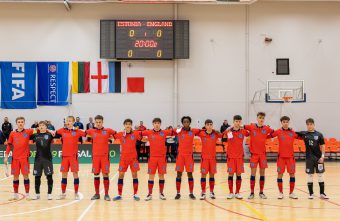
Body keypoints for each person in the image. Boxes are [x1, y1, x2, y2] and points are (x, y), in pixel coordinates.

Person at [141, 118, 173, 201]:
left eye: (158, 123)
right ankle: (149, 194)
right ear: (153, 124)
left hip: (162, 158)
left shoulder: (164, 132)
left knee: (161, 176)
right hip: (152, 158)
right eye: (155, 123)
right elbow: (138, 134)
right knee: (151, 176)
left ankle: (161, 193)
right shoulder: (148, 132)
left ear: (160, 124)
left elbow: (175, 132)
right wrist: (143, 139)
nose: (157, 124)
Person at [243, 112, 274, 199]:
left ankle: (261, 192)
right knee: (253, 174)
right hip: (254, 155)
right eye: (260, 117)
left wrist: (266, 137)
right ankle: (252, 192)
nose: (261, 119)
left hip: (263, 155)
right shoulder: (251, 126)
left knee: (262, 174)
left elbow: (274, 133)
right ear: (257, 118)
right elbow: (241, 126)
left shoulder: (267, 128)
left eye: (263, 118)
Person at [296, 118, 329, 199]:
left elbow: (323, 146)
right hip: (309, 158)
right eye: (308, 124)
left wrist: (322, 156)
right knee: (309, 175)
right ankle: (311, 193)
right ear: (306, 125)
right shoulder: (304, 133)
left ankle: (322, 193)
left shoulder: (319, 134)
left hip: (318, 158)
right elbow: (292, 133)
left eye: (311, 124)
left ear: (314, 125)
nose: (309, 126)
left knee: (320, 175)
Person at [86, 115, 116, 201]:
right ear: (95, 123)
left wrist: (111, 138)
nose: (98, 124)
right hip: (95, 157)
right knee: (96, 174)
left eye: (100, 122)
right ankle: (97, 194)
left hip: (104, 157)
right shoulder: (91, 131)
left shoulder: (108, 130)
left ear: (102, 122)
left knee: (105, 174)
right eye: (97, 122)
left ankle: (106, 194)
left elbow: (117, 135)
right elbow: (82, 132)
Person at [4, 117, 35, 200]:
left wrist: (50, 131)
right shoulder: (12, 133)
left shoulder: (28, 131)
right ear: (16, 123)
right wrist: (6, 157)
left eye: (22, 122)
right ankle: (15, 195)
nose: (20, 123)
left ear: (24, 123)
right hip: (15, 159)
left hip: (24, 158)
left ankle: (27, 195)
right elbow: (9, 146)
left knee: (26, 176)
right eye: (19, 122)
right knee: (15, 177)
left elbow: (39, 129)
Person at [112, 119, 142, 201]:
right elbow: (111, 136)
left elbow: (143, 139)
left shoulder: (135, 133)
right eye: (126, 124)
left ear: (131, 125)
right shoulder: (120, 134)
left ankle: (135, 194)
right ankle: (119, 194)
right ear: (124, 125)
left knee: (134, 175)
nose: (128, 125)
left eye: (129, 124)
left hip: (133, 159)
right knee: (121, 175)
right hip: (123, 159)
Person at [56, 116, 86, 200]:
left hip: (73, 157)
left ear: (73, 122)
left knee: (75, 174)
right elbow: (53, 133)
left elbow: (86, 133)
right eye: (67, 121)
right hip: (65, 157)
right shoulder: (62, 130)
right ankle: (63, 193)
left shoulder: (77, 131)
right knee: (64, 175)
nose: (68, 122)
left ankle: (76, 193)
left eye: (70, 121)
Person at [270, 116, 299, 199]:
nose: (285, 123)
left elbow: (301, 137)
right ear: (281, 123)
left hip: (290, 157)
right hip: (281, 158)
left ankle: (291, 193)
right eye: (284, 122)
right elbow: (268, 135)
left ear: (288, 123)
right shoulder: (278, 132)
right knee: (280, 174)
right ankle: (280, 192)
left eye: (287, 122)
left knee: (292, 174)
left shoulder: (292, 132)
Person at [173, 116, 201, 200]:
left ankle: (191, 193)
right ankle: (178, 193)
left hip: (189, 156)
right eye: (184, 122)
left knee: (190, 174)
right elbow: (169, 131)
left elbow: (203, 131)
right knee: (179, 174)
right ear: (182, 123)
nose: (186, 123)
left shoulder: (193, 131)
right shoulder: (179, 130)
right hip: (180, 155)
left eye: (187, 122)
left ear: (189, 123)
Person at [197, 119, 223, 200]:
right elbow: (195, 131)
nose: (209, 126)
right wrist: (201, 129)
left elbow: (222, 135)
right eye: (207, 124)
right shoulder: (201, 133)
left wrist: (217, 131)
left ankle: (211, 191)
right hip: (204, 158)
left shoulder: (215, 134)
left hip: (212, 158)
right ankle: (203, 192)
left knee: (212, 175)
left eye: (211, 124)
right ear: (205, 126)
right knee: (203, 175)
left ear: (212, 125)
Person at [225, 115, 249, 199]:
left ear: (241, 122)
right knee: (230, 174)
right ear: (233, 122)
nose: (238, 123)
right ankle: (231, 192)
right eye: (236, 121)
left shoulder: (243, 131)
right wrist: (229, 128)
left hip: (239, 156)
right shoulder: (228, 131)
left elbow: (250, 132)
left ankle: (237, 192)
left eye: (239, 121)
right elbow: (223, 134)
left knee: (239, 175)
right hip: (231, 156)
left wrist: (244, 127)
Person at [31, 121, 55, 200]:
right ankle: (37, 194)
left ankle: (49, 194)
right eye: (40, 125)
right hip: (38, 159)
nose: (41, 126)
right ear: (38, 127)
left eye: (43, 125)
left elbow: (57, 133)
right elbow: (25, 133)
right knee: (37, 177)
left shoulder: (50, 135)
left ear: (46, 127)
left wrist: (49, 130)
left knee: (49, 177)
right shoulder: (35, 135)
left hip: (47, 159)